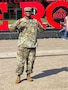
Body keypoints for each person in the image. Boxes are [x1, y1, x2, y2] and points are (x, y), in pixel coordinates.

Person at [9, 7, 45, 84]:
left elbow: (42, 31)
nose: (28, 12)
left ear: (32, 12)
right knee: (20, 63)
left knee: (31, 62)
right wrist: (16, 25)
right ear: (24, 12)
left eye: (30, 11)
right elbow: (11, 29)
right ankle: (18, 76)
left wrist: (40, 25)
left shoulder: (35, 21)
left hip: (32, 45)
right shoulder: (20, 21)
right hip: (23, 45)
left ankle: (28, 75)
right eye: (27, 11)